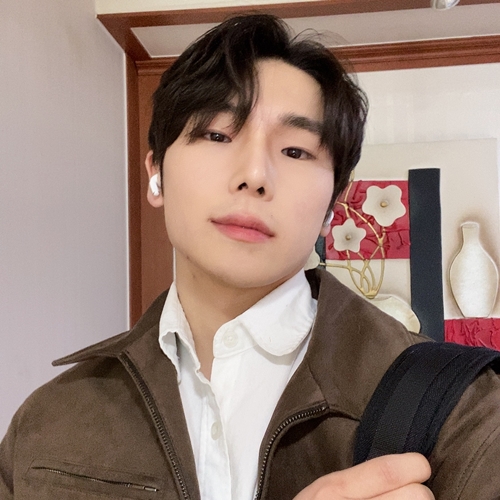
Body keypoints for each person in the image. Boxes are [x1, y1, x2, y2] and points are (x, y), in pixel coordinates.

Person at [1, 13, 499, 500]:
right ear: (156, 173)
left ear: (333, 206)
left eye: (296, 151)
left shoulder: (464, 409)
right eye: (217, 135)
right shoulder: (50, 420)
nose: (255, 175)